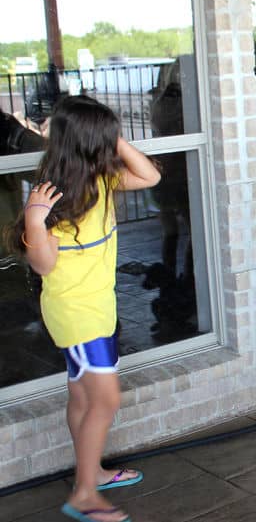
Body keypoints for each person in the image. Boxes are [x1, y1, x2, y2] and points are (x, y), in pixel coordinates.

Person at [11, 95, 161, 522]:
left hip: (97, 308)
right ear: (84, 142)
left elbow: (148, 176)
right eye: (105, 136)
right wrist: (35, 222)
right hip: (77, 316)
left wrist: (116, 139)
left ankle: (92, 471)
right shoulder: (51, 197)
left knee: (81, 395)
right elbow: (43, 264)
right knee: (105, 399)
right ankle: (83, 495)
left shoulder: (99, 181)